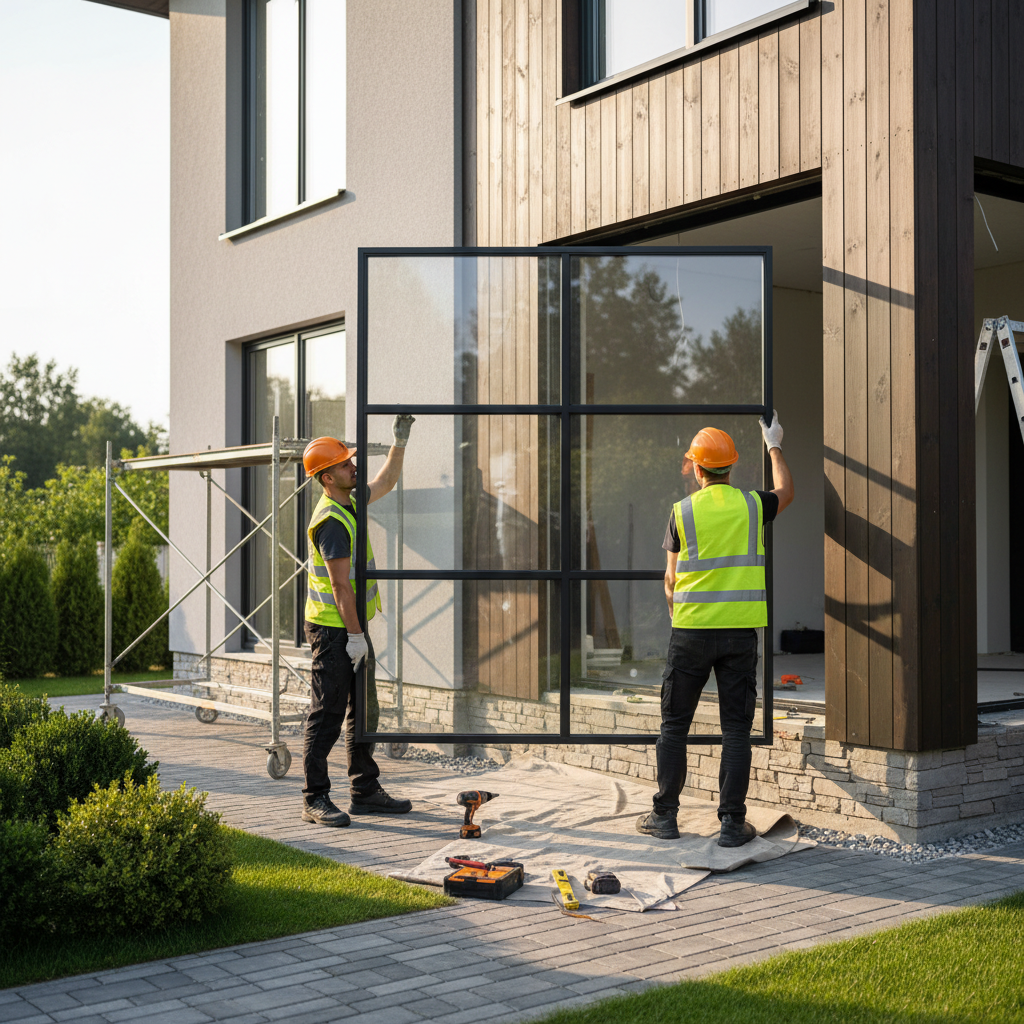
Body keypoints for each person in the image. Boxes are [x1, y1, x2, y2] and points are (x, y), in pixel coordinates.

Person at [636, 412, 793, 847]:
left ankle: (664, 817)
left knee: (674, 726)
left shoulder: (681, 512)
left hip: (690, 634)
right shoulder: (752, 505)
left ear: (697, 468)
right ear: (731, 466)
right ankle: (732, 825)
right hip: (739, 635)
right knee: (736, 730)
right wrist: (774, 444)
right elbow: (786, 491)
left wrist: (679, 613)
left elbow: (670, 580)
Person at [299, 414, 416, 827]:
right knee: (327, 715)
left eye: (350, 460)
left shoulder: (348, 503)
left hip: (351, 629)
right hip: (333, 631)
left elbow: (386, 482)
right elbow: (339, 586)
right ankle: (314, 798)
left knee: (365, 711)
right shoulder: (331, 520)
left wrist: (399, 442)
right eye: (345, 464)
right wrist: (353, 636)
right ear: (327, 478)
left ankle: (364, 790)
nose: (354, 466)